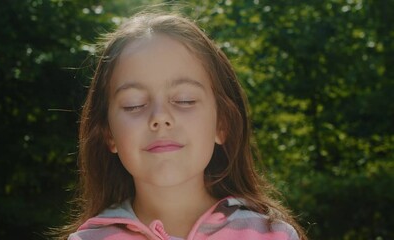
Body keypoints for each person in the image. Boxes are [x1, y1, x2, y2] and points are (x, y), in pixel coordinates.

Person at [61, 11, 307, 240]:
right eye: (134, 105)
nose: (160, 117)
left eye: (184, 100)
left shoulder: (271, 235)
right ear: (108, 133)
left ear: (222, 124)